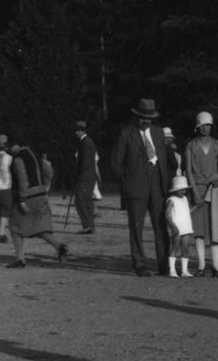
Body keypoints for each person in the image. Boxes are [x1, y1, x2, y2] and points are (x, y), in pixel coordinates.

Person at [111, 98, 176, 277]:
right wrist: (127, 180)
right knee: (136, 227)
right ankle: (139, 264)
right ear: (136, 116)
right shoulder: (126, 134)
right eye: (142, 117)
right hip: (135, 187)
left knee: (161, 226)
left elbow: (167, 160)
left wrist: (167, 182)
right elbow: (115, 163)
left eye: (148, 118)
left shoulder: (158, 133)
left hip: (157, 186)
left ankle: (164, 265)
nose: (145, 121)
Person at [5, 136, 70, 268]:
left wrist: (22, 199)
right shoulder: (36, 155)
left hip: (26, 196)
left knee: (15, 227)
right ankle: (59, 247)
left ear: (15, 146)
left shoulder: (18, 159)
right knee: (39, 227)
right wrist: (44, 185)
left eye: (9, 147)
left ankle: (20, 258)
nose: (8, 150)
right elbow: (48, 170)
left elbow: (22, 179)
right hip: (40, 194)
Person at [184, 113, 218, 279]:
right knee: (199, 229)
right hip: (198, 189)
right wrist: (194, 192)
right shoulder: (191, 145)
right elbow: (188, 171)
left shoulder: (217, 144)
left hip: (215, 190)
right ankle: (201, 265)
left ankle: (216, 266)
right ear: (197, 127)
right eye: (203, 125)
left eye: (208, 125)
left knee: (215, 227)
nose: (206, 128)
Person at [68, 119, 101, 235]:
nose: (76, 133)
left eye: (77, 131)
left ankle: (87, 225)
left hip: (84, 178)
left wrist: (77, 174)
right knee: (87, 201)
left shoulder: (85, 142)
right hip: (88, 177)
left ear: (82, 131)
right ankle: (90, 225)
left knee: (80, 201)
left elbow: (85, 162)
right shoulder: (87, 141)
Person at [164, 173, 197, 278]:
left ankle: (184, 270)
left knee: (185, 248)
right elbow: (167, 214)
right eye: (181, 190)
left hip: (186, 226)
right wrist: (173, 226)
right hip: (177, 227)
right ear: (175, 190)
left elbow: (187, 211)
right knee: (175, 247)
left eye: (184, 189)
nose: (183, 191)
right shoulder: (172, 200)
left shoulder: (185, 199)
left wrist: (197, 207)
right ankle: (172, 270)